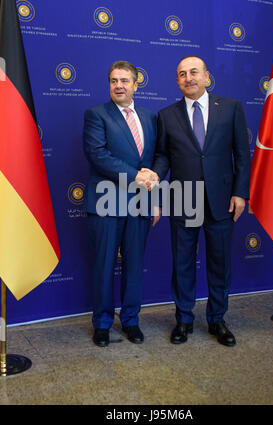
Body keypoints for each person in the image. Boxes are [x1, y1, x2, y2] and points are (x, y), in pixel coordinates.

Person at [151, 56, 251, 346]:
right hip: (183, 200)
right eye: (182, 74)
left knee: (220, 263)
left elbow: (242, 155)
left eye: (194, 72)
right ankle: (183, 320)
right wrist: (153, 177)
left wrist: (240, 192)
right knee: (182, 263)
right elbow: (163, 156)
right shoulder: (166, 115)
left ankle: (217, 319)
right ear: (178, 80)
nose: (189, 78)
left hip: (222, 200)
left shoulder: (231, 108)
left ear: (207, 76)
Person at [83, 61, 158, 347]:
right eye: (114, 80)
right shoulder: (96, 114)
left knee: (135, 265)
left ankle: (131, 321)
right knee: (103, 266)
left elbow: (154, 159)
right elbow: (97, 154)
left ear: (136, 84)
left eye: (125, 80)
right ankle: (102, 324)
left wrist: (154, 195)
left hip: (140, 203)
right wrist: (136, 176)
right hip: (106, 202)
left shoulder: (150, 117)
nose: (119, 85)